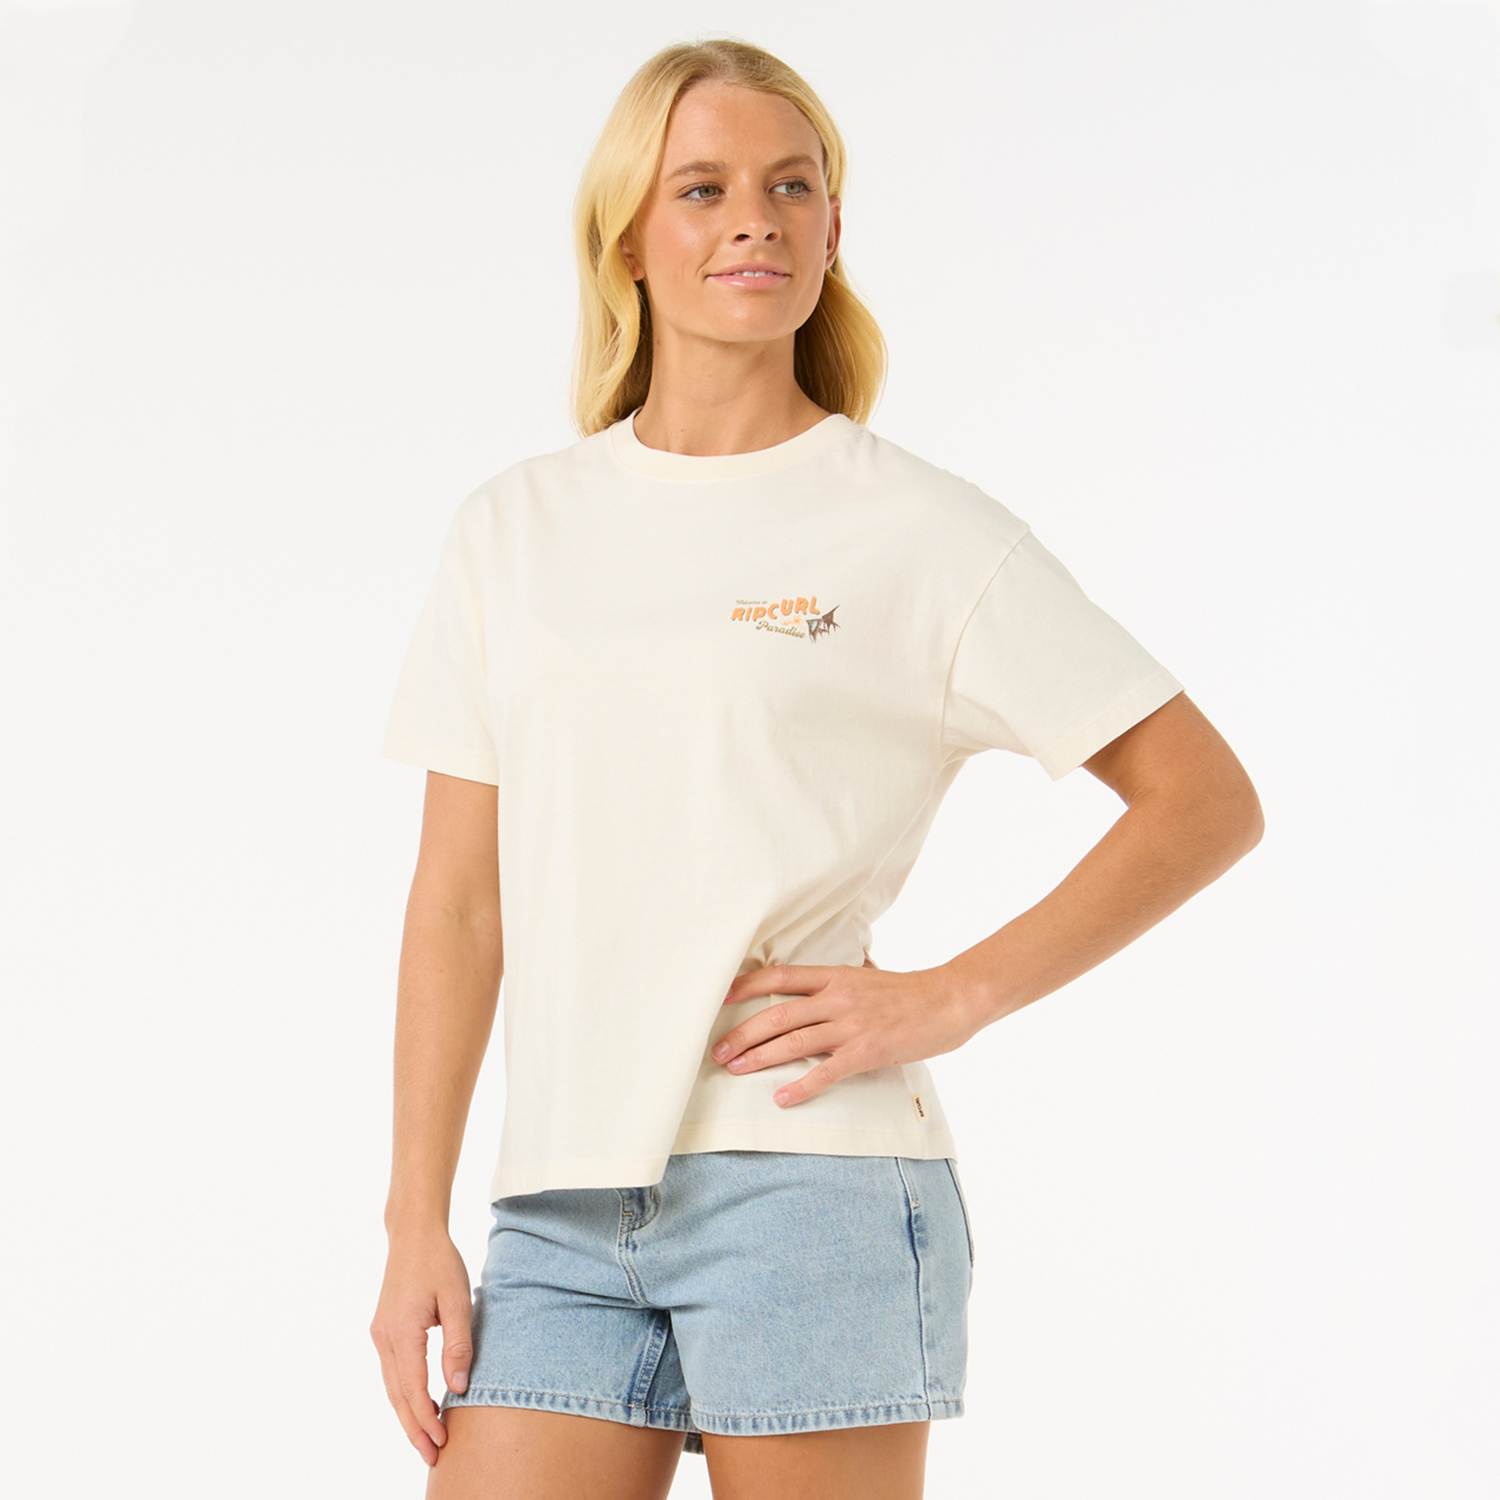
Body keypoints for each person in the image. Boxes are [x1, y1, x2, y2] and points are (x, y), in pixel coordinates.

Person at [368, 36, 1264, 1500]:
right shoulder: (513, 531)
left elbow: (1206, 799)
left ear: (834, 228)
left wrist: (950, 997)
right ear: (626, 239)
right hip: (559, 1208)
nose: (756, 222)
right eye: (703, 189)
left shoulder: (911, 528)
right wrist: (415, 1221)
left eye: (793, 187)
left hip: (813, 1183)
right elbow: (459, 906)